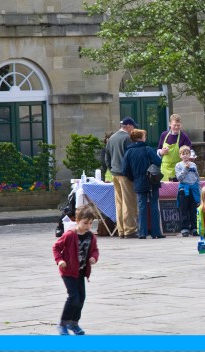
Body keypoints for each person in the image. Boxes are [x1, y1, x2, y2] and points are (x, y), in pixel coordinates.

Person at [52, 205, 99, 335]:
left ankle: (73, 322)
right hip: (68, 271)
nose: (88, 226)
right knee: (73, 297)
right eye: (85, 223)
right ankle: (62, 323)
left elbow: (95, 250)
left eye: (90, 223)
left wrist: (94, 258)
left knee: (81, 297)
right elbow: (56, 247)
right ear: (77, 221)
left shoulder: (91, 236)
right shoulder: (69, 235)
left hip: (81, 272)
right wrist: (60, 260)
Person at [122, 129, 164, 239]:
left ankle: (142, 232)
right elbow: (158, 162)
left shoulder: (129, 152)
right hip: (152, 181)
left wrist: (134, 178)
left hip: (138, 181)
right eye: (144, 136)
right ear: (140, 138)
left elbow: (125, 170)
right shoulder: (147, 149)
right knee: (154, 205)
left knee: (141, 206)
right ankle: (156, 232)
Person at [105, 117, 138, 238]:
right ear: (128, 126)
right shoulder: (127, 138)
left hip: (115, 174)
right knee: (129, 202)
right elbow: (130, 158)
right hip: (125, 175)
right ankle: (130, 230)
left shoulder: (112, 138)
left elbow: (106, 157)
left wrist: (112, 169)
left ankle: (121, 230)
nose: (133, 130)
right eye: (133, 127)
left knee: (119, 202)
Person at [157, 114, 192, 181]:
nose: (176, 127)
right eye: (174, 125)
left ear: (181, 125)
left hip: (178, 168)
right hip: (165, 169)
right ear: (170, 124)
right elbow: (158, 149)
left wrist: (187, 157)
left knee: (177, 189)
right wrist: (161, 152)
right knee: (165, 189)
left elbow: (190, 150)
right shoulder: (164, 135)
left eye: (178, 125)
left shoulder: (183, 136)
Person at [175, 145, 200, 237]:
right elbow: (179, 178)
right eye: (183, 154)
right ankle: (184, 228)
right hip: (183, 190)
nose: (185, 156)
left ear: (189, 155)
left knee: (193, 210)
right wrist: (185, 169)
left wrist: (199, 191)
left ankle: (194, 228)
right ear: (180, 155)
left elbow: (197, 178)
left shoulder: (193, 165)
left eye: (187, 154)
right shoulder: (178, 165)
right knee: (184, 210)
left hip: (193, 189)